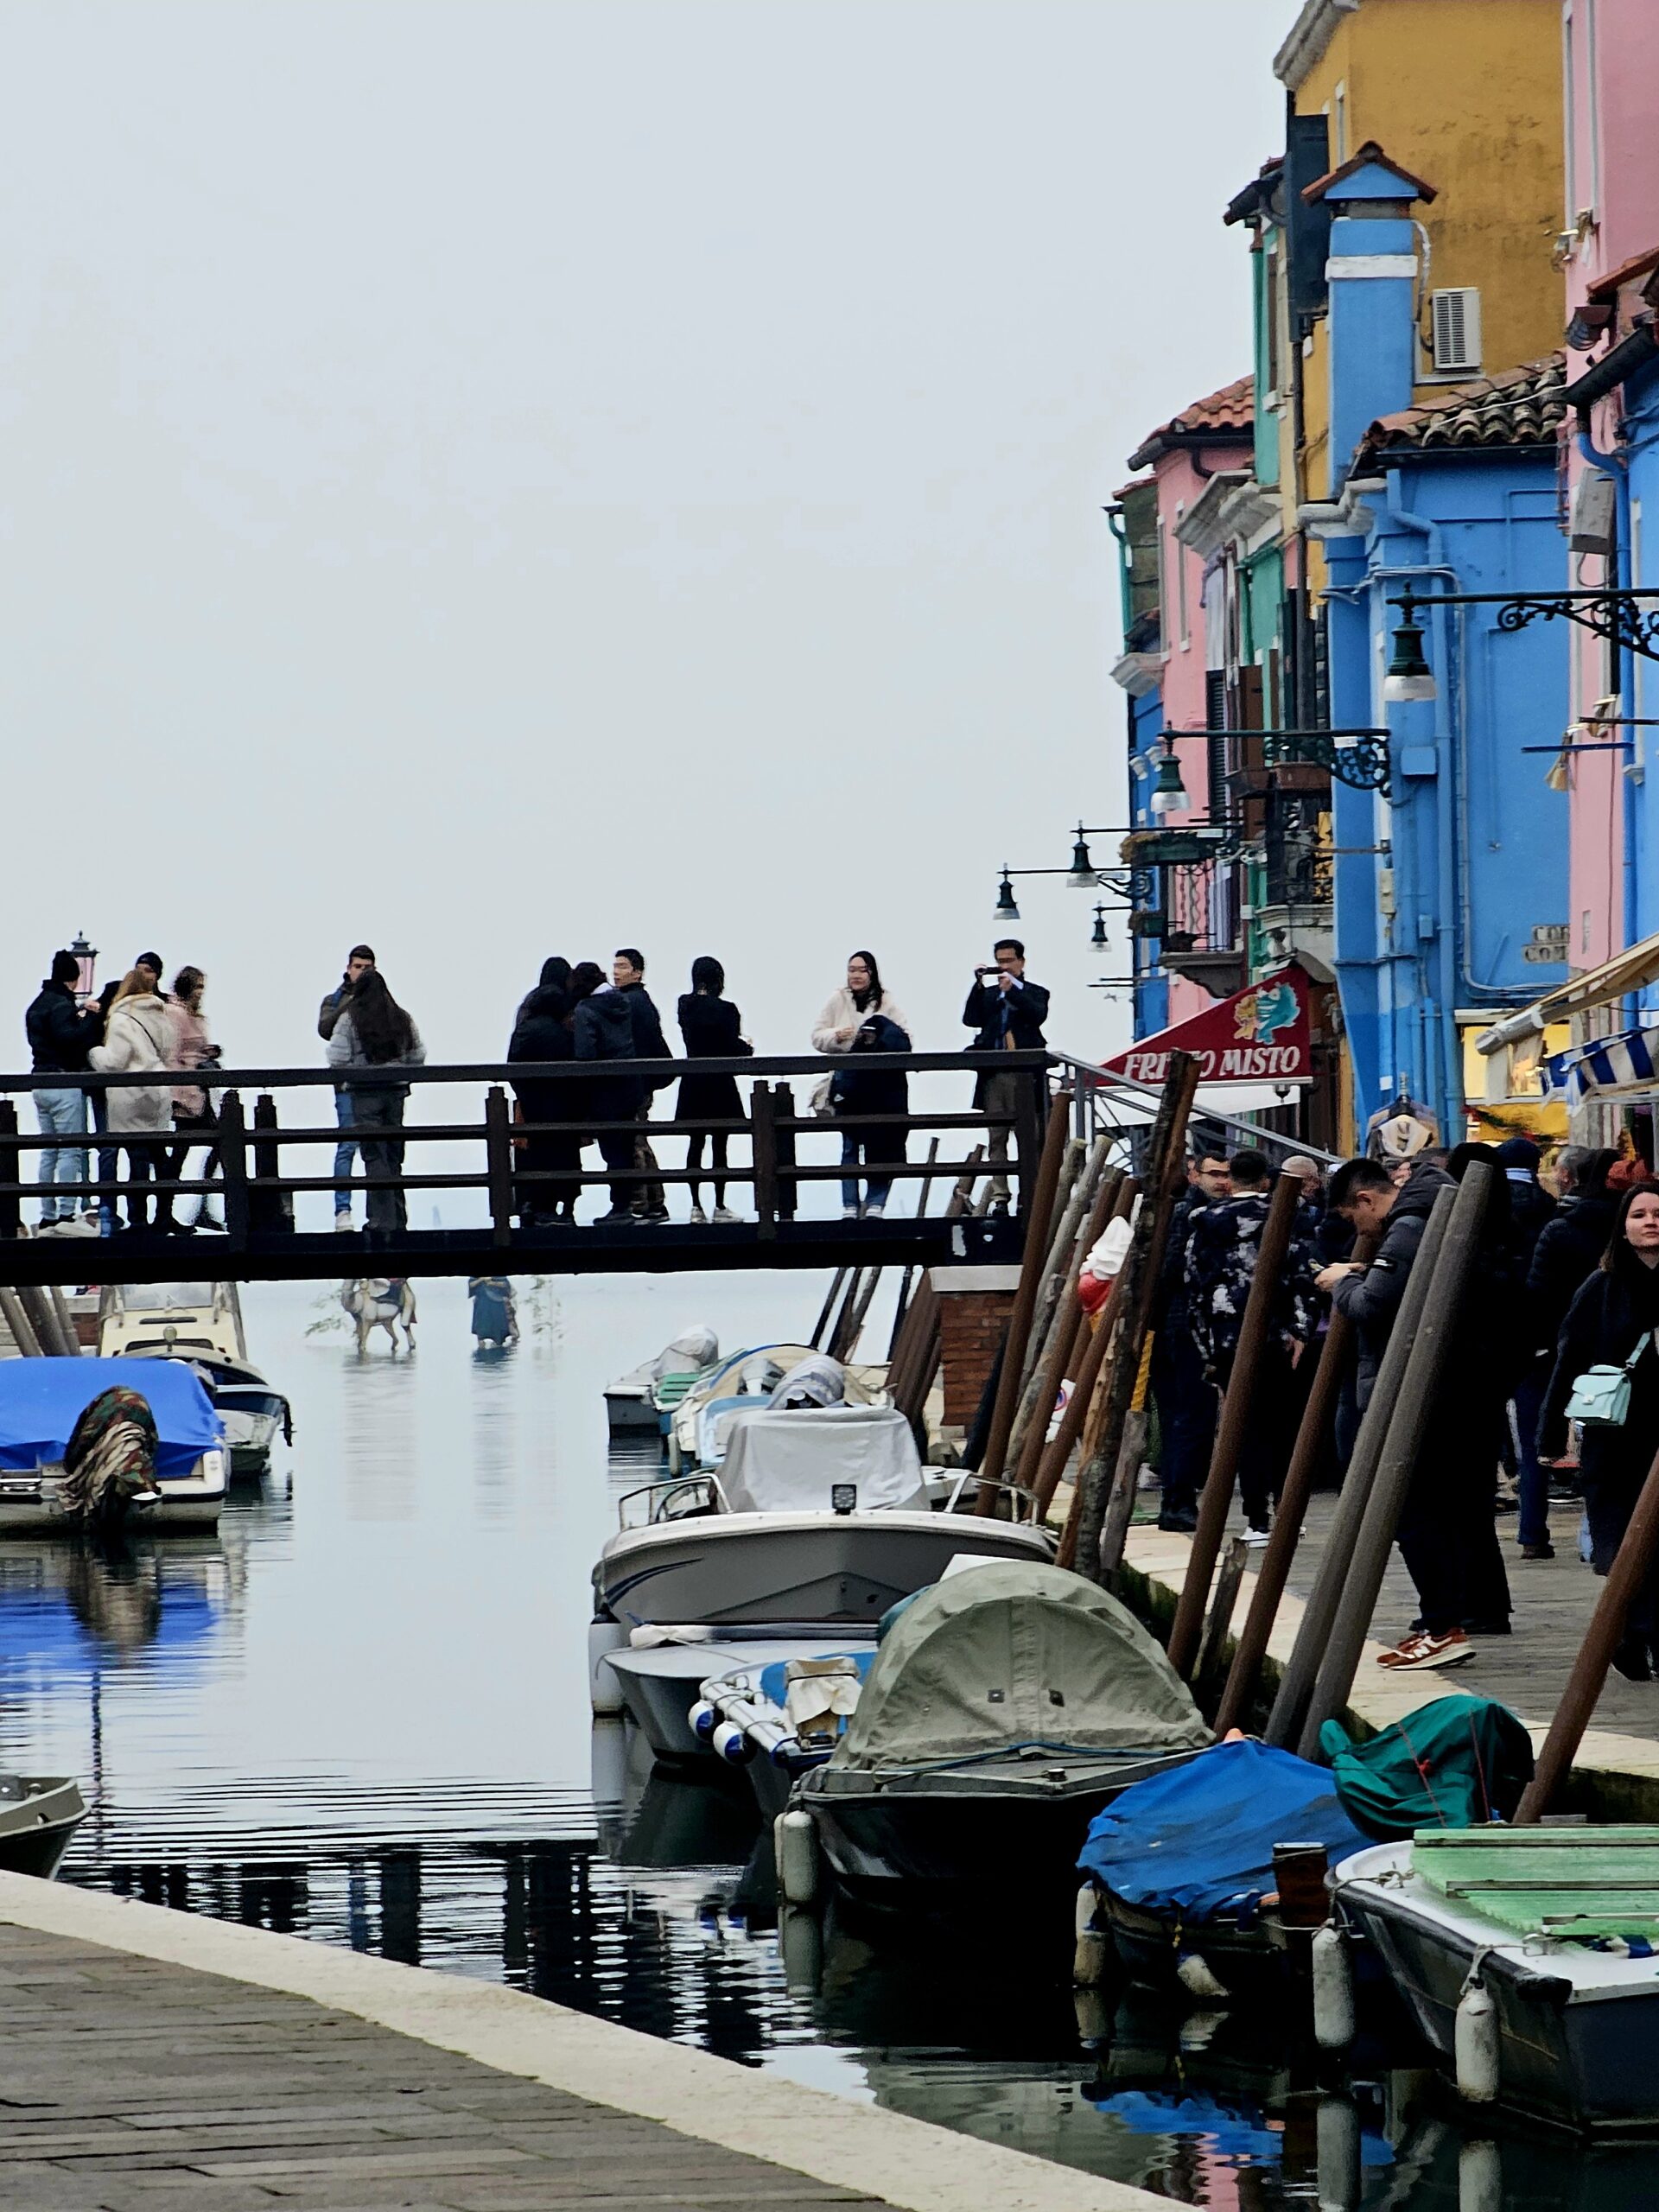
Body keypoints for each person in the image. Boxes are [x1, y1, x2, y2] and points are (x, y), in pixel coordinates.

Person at [1321, 1152, 1513, 1669]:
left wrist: (1343, 1282)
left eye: (1351, 1216)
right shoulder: (1431, 1212)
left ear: (1364, 1199)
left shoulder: (1405, 1227)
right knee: (1447, 1508)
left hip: (1422, 1393)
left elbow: (1373, 1306)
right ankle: (1450, 1618)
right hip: (1457, 1387)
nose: (1358, 1227)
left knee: (1414, 1512)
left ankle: (1441, 1624)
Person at [1541, 1185, 1659, 1679]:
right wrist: (1550, 1435)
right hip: (1617, 1439)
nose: (1650, 1221)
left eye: (1658, 1213)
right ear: (1623, 1225)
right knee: (1624, 1544)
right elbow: (1568, 1359)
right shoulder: (1602, 1286)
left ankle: (1638, 1631)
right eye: (1639, 1214)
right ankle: (1633, 1631)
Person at [1184, 1149, 1318, 1543]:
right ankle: (1287, 1512)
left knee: (1243, 1427)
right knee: (1284, 1426)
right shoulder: (1283, 1218)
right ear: (1265, 1181)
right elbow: (1302, 1275)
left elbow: (1194, 1288)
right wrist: (1302, 1331)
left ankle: (1256, 1518)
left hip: (1226, 1335)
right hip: (1277, 1335)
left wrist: (1205, 1348)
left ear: (1233, 1180)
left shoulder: (1204, 1225)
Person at [1147, 1147, 1230, 1531]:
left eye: (1226, 1174)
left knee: (1189, 1417)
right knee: (1188, 1417)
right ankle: (1178, 1501)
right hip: (1183, 1328)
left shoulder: (1208, 1214)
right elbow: (1171, 1270)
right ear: (1196, 1175)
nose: (1222, 1181)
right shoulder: (1189, 1215)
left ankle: (1180, 1499)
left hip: (1187, 1326)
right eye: (1214, 1174)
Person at [812, 953, 912, 1222]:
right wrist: (837, 1037)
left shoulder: (886, 1001)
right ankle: (849, 1204)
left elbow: (905, 1037)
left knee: (883, 1141)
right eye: (851, 970)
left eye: (862, 970)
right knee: (850, 1143)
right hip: (849, 1078)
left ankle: (876, 1203)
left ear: (872, 973)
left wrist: (875, 1039)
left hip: (879, 1084)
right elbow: (817, 1036)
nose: (856, 975)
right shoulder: (838, 999)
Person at [325, 969, 426, 1234]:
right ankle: (398, 1219)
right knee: (393, 1156)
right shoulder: (401, 1017)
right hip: (395, 1093)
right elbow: (419, 1055)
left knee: (374, 1156)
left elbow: (337, 1057)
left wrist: (358, 1069)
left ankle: (381, 1222)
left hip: (364, 1093)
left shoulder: (351, 1019)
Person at [1493, 1135, 1556, 1558]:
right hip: (1543, 1339)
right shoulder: (1551, 1210)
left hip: (1492, 1338)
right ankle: (1533, 1533)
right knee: (1537, 1436)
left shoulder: (1487, 1210)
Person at [962, 939, 1051, 1214]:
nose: (1004, 966)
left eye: (1009, 961)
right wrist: (977, 986)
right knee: (996, 1138)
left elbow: (1037, 1015)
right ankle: (1000, 1196)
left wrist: (1012, 992)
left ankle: (1031, 1193)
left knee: (1031, 1137)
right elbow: (971, 1019)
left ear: (1022, 962)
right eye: (999, 961)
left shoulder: (1037, 992)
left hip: (1026, 1075)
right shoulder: (989, 995)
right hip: (995, 1074)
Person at [89, 970, 177, 1232]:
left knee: (135, 1155)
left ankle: (137, 1219)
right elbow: (168, 1049)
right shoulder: (161, 1014)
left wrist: (94, 1053)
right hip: (157, 1091)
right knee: (155, 1153)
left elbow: (114, 1061)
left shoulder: (121, 1018)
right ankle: (160, 1216)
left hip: (131, 1093)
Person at [25, 950, 102, 1236]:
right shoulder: (61, 1006)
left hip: (39, 1083)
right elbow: (71, 1039)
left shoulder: (36, 1006)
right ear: (74, 978)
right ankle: (66, 1214)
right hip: (63, 1082)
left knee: (49, 1151)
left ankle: (46, 1216)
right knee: (70, 1149)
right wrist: (90, 1019)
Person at [677, 957, 750, 1223]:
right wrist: (748, 1048)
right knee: (720, 1145)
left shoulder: (685, 1006)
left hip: (694, 1081)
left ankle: (695, 1207)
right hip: (720, 1083)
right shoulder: (728, 1010)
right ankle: (720, 1205)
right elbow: (731, 1047)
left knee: (695, 1143)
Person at [508, 976, 580, 1226]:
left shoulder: (525, 1029)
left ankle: (533, 1205)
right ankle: (562, 1207)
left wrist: (525, 1094)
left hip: (532, 1101)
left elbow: (512, 1065)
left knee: (534, 1153)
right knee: (560, 1152)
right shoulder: (565, 1031)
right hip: (562, 1102)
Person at [571, 963, 639, 1223]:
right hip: (629, 1086)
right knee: (626, 1147)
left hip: (604, 1091)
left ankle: (619, 1208)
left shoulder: (585, 1010)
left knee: (612, 1151)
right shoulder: (621, 1003)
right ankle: (626, 1205)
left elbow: (585, 1053)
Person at [830, 1011, 911, 1219]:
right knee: (879, 1150)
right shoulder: (893, 1038)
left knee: (857, 1150)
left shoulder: (865, 1047)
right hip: (877, 1104)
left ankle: (855, 1204)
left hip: (861, 1102)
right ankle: (871, 1204)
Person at [159, 967, 223, 1235]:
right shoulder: (175, 1014)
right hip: (186, 1095)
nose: (201, 993)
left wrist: (208, 1052)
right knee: (180, 1154)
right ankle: (167, 1211)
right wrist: (179, 1095)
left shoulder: (193, 1015)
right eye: (197, 988)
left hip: (201, 1092)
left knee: (219, 1145)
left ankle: (200, 1205)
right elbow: (173, 1056)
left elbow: (191, 1049)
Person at [319, 946, 377, 1230]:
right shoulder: (336, 999)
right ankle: (343, 1210)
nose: (361, 972)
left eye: (366, 968)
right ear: (348, 967)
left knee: (374, 1148)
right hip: (345, 1083)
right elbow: (324, 1028)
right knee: (347, 1144)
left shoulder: (381, 1002)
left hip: (373, 1084)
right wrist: (352, 1000)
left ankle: (374, 1213)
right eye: (357, 966)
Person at [613, 949, 671, 1224]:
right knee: (640, 1138)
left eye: (622, 967)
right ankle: (654, 1201)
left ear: (637, 972)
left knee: (634, 1139)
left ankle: (641, 1200)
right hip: (642, 1081)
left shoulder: (630, 1002)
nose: (616, 972)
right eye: (614, 966)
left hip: (633, 1082)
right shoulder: (640, 1000)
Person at [468, 1275, 518, 1348]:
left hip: (497, 1302)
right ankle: (481, 1345)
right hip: (481, 1302)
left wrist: (492, 1283)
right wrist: (481, 1279)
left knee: (498, 1325)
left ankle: (499, 1343)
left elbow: (505, 1284)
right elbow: (471, 1284)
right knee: (481, 1325)